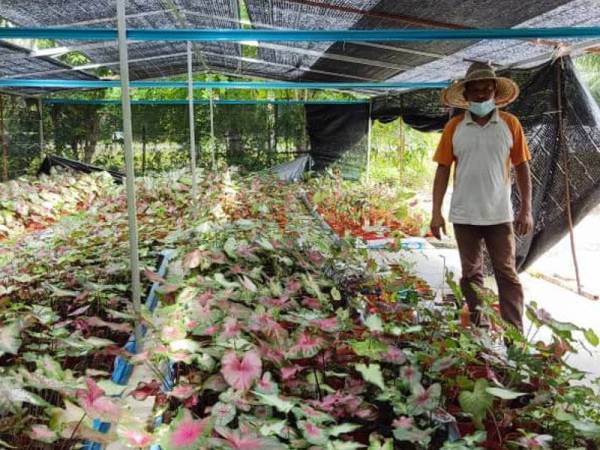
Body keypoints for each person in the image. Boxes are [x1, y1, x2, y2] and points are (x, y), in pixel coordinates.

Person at [430, 61, 533, 333]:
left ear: (494, 92)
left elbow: (522, 167)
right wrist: (435, 212)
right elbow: (442, 170)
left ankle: (514, 334)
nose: (481, 94)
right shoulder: (454, 127)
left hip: (499, 214)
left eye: (487, 88)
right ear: (465, 95)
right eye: (475, 89)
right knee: (471, 274)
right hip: (464, 214)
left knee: (506, 273)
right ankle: (480, 328)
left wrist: (526, 209)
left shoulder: (510, 124)